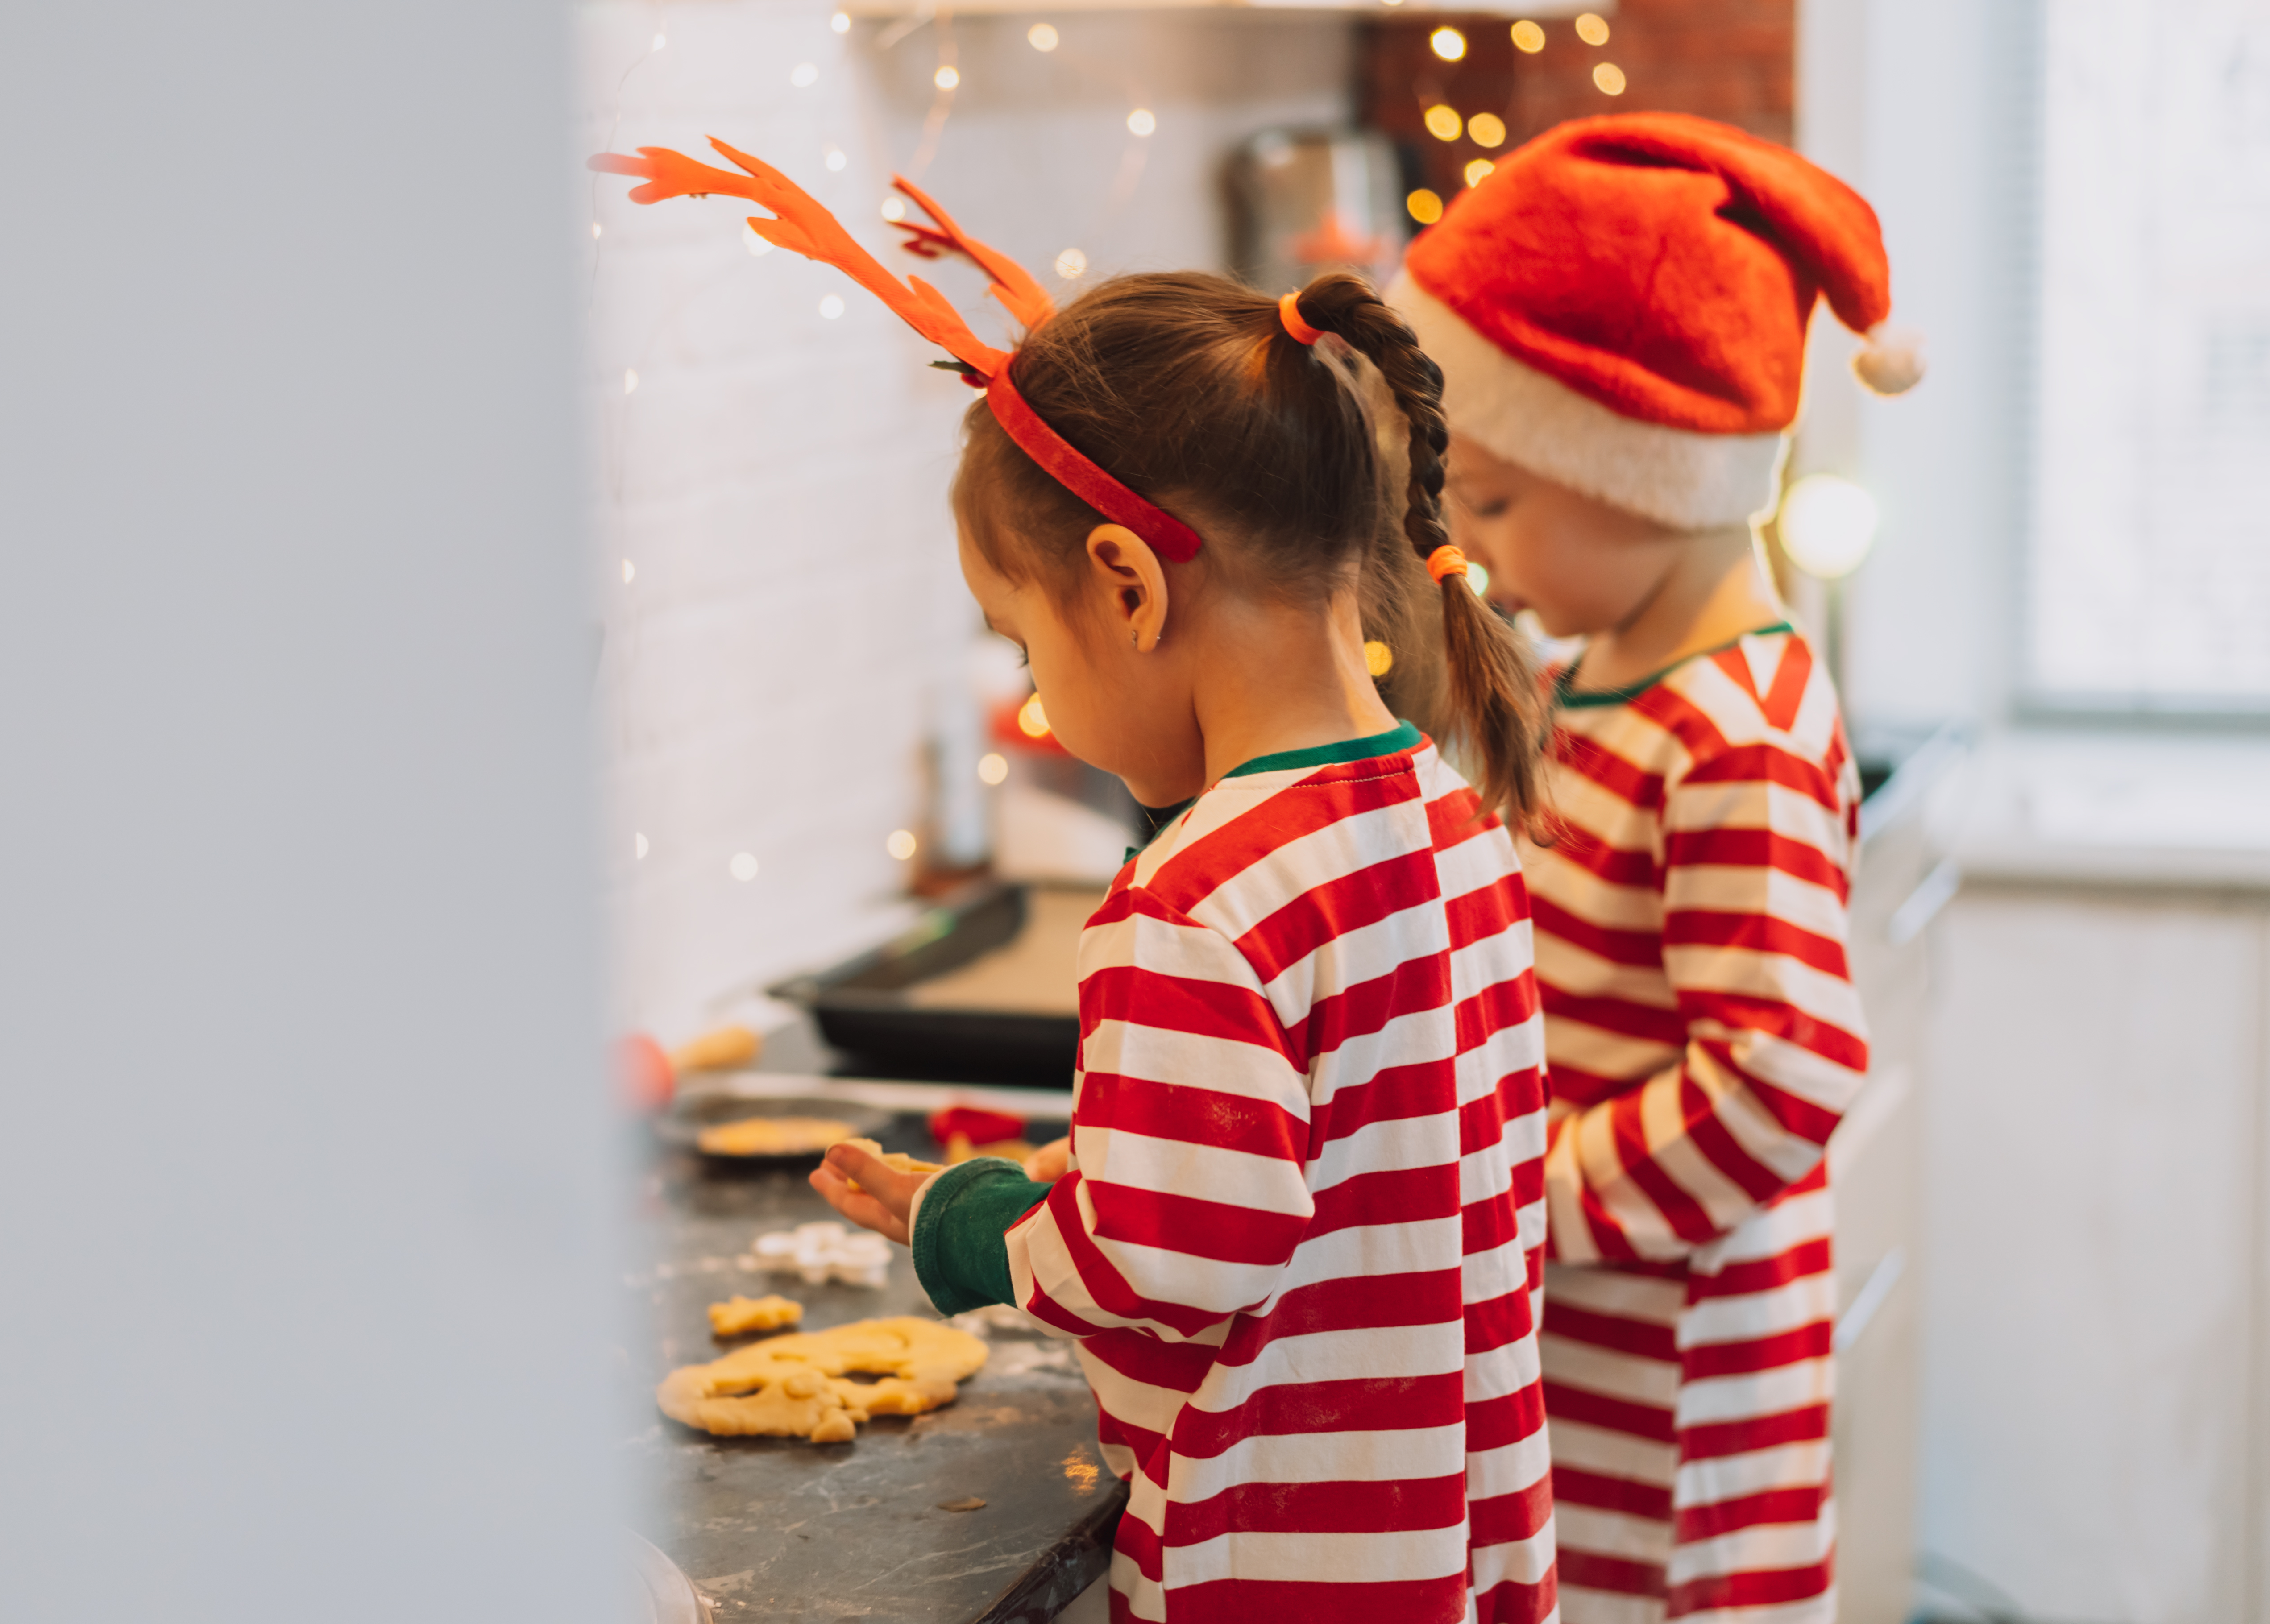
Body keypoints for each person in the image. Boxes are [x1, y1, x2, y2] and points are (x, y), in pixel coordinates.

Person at [593, 139, 1559, 1622]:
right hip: (1459, 1539)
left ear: (1126, 583)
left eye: (1023, 645)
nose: (1034, 698)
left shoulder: (1194, 901)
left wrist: (970, 1224)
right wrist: (1099, 1172)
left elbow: (1174, 1265)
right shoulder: (1442, 814)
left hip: (1282, 1569)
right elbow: (1364, 1164)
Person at [1385, 113, 1922, 1624]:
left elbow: (1784, 1071)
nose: (1473, 553)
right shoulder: (1606, 666)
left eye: (1492, 502)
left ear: (1648, 475)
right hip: (1595, 1363)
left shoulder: (1731, 733)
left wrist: (1520, 1201)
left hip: (1672, 1436)